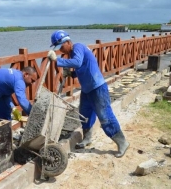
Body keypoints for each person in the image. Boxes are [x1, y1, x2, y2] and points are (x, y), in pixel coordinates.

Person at [47, 30, 129, 158]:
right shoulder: (72, 53)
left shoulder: (78, 47)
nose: (61, 50)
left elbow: (77, 63)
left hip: (97, 88)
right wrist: (72, 73)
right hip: (87, 89)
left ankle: (122, 142)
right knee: (85, 114)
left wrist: (57, 60)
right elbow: (82, 67)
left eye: (61, 47)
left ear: (68, 42)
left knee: (105, 116)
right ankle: (87, 138)